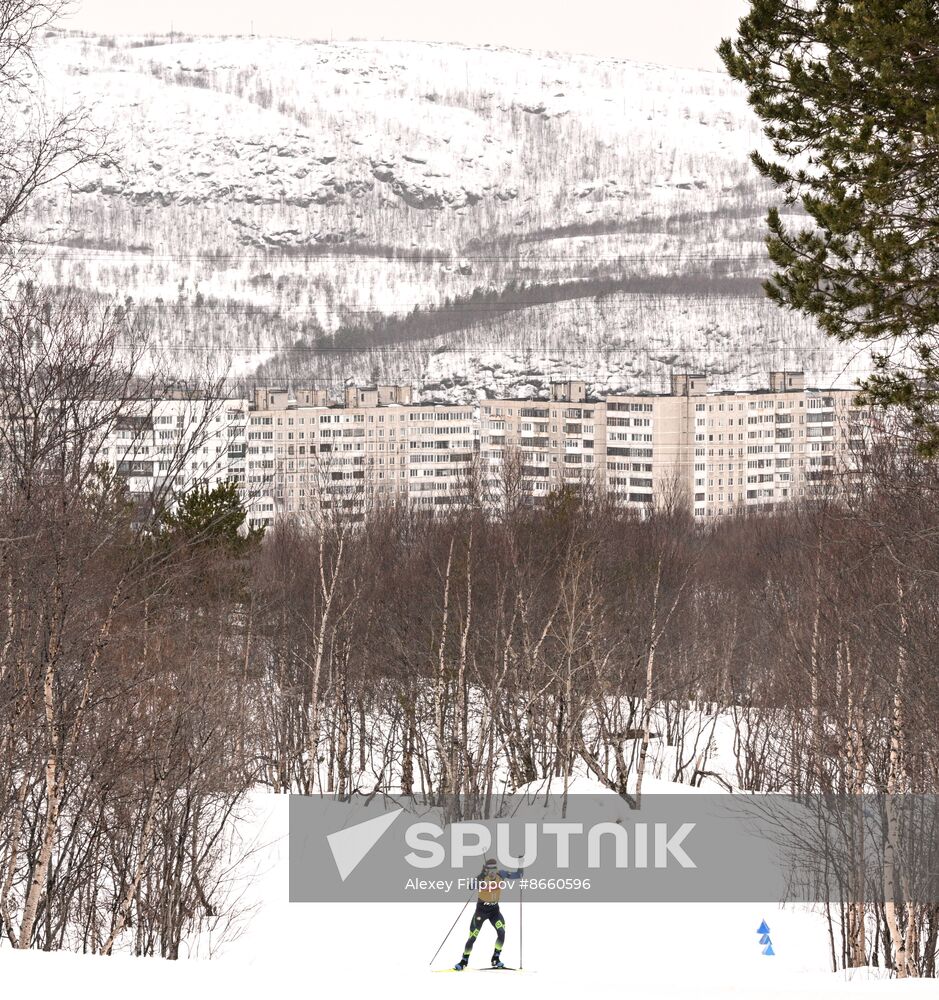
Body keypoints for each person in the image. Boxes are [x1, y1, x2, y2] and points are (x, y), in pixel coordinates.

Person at [454, 858, 522, 970]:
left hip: (494, 911)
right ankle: (464, 960)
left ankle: (496, 958)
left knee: (501, 932)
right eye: (489, 870)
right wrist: (480, 876)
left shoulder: (501, 874)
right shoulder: (482, 878)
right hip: (481, 912)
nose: (492, 873)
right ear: (486, 870)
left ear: (497, 869)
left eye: (494, 869)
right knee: (472, 937)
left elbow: (519, 875)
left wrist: (521, 864)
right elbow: (470, 886)